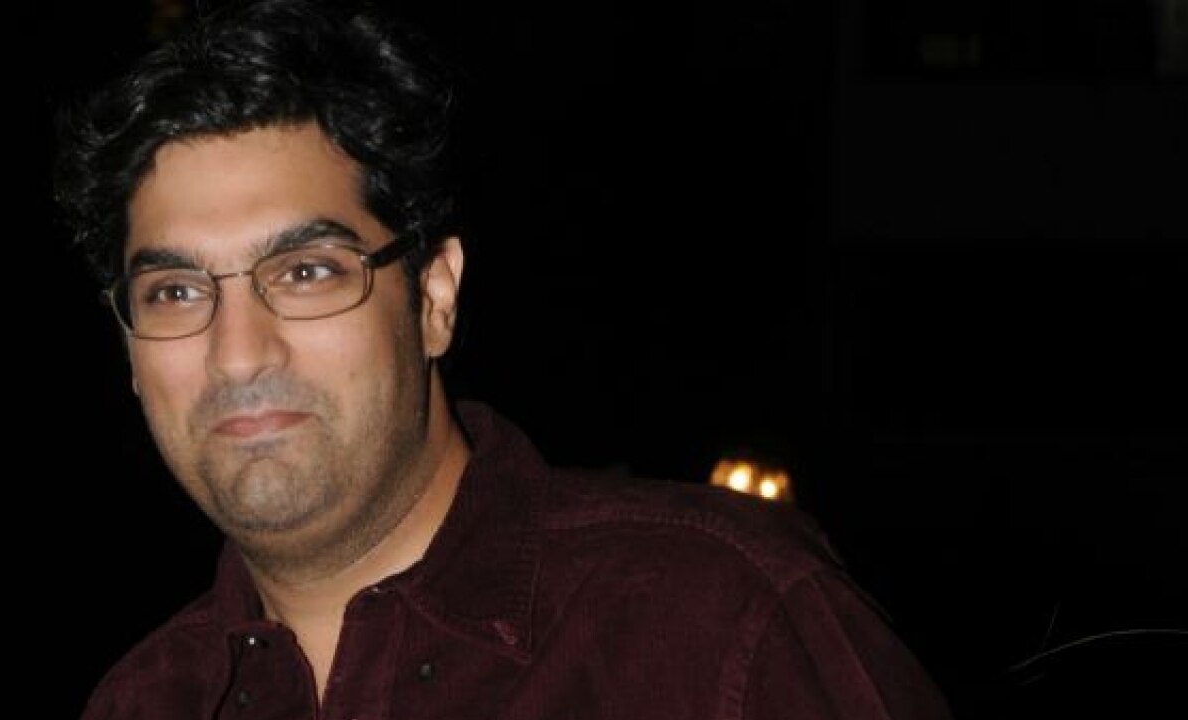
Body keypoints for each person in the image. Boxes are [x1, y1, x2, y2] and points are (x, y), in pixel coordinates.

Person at [51, 0, 954, 717]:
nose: (239, 353)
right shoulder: (142, 702)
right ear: (128, 346)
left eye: (308, 272)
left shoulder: (718, 625)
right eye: (175, 292)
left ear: (433, 298)